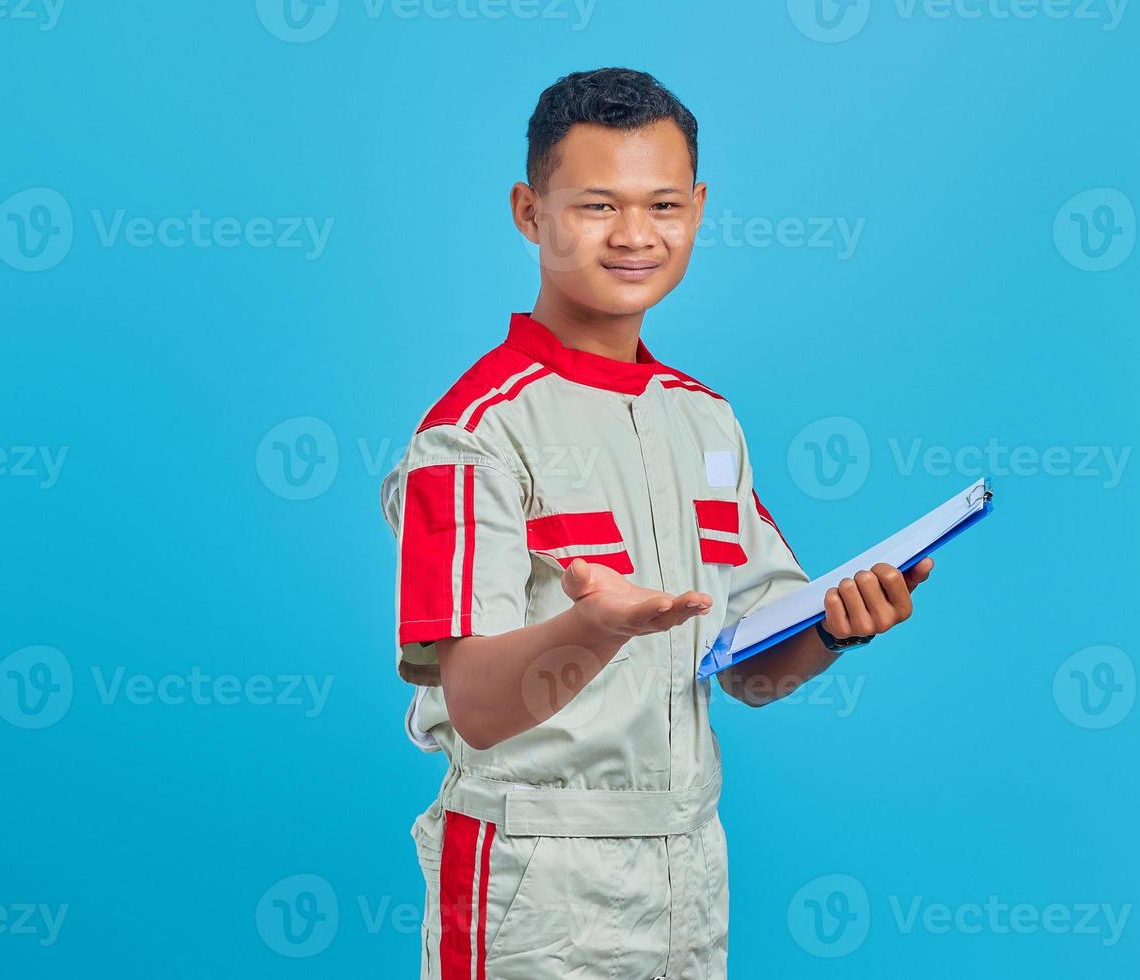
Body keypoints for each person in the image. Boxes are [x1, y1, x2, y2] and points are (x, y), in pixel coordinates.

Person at [381, 66, 933, 980]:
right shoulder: (472, 432)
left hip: (688, 866)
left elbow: (751, 674)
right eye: (597, 205)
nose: (636, 235)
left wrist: (839, 627)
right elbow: (476, 707)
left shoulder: (705, 421)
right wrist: (592, 630)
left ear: (700, 208)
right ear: (530, 211)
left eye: (663, 204)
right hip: (532, 877)